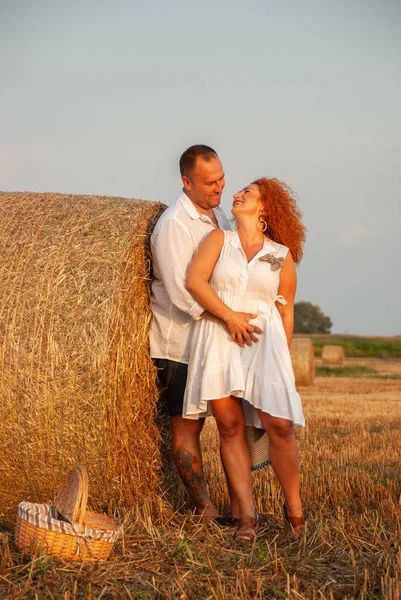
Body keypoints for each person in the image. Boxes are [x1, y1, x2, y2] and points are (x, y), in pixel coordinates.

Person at [183, 177, 307, 541]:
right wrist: (230, 317)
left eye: (246, 193)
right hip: (220, 338)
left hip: (264, 345)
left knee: (280, 426)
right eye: (238, 192)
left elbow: (285, 312)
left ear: (264, 206)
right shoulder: (219, 240)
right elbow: (195, 281)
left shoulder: (280, 256)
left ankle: (295, 513)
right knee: (230, 426)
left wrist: (281, 359)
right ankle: (246, 519)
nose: (236, 194)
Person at [149, 145, 261, 522]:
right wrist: (230, 317)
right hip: (180, 344)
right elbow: (184, 296)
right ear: (187, 182)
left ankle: (241, 511)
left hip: (214, 340)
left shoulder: (219, 219)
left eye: (222, 178)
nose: (220, 187)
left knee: (229, 426)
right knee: (187, 426)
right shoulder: (173, 226)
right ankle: (206, 511)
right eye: (210, 182)